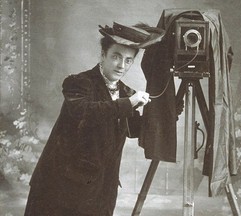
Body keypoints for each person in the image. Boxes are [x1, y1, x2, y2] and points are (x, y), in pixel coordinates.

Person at [24, 22, 163, 216]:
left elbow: (134, 130)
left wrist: (166, 111)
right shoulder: (79, 83)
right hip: (60, 187)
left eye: (128, 60)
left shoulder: (125, 92)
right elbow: (85, 112)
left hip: (101, 190)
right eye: (116, 56)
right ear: (103, 55)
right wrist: (128, 103)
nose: (121, 65)